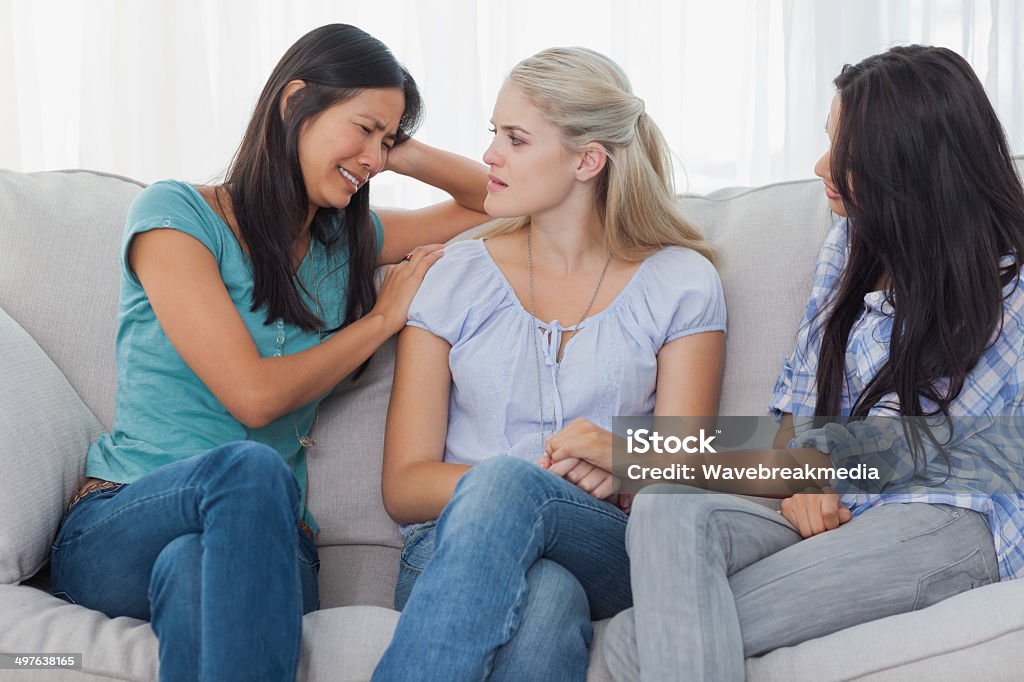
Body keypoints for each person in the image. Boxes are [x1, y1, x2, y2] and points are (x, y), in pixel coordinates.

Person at [48, 24, 489, 682]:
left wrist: (392, 143)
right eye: (363, 129)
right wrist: (382, 320)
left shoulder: (350, 241)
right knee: (252, 471)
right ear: (295, 103)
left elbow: (495, 203)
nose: (372, 158)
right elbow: (251, 396)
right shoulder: (177, 215)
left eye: (386, 141)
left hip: (273, 548)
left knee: (193, 566)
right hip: (126, 517)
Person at [596, 45, 1024, 681]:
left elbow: (923, 452)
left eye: (846, 153)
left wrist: (639, 450)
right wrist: (647, 452)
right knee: (664, 504)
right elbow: (795, 435)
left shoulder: (1008, 284)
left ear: (907, 165)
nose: (821, 165)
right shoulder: (846, 248)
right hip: (840, 514)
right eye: (828, 140)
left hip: (947, 524)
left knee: (633, 640)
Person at [371, 47, 726, 681]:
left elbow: (689, 465)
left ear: (587, 160)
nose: (490, 156)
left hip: (605, 548)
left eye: (515, 139)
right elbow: (404, 486)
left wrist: (624, 453)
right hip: (451, 553)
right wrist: (523, 487)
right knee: (549, 598)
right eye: (493, 135)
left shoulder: (681, 282)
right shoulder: (452, 275)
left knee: (514, 492)